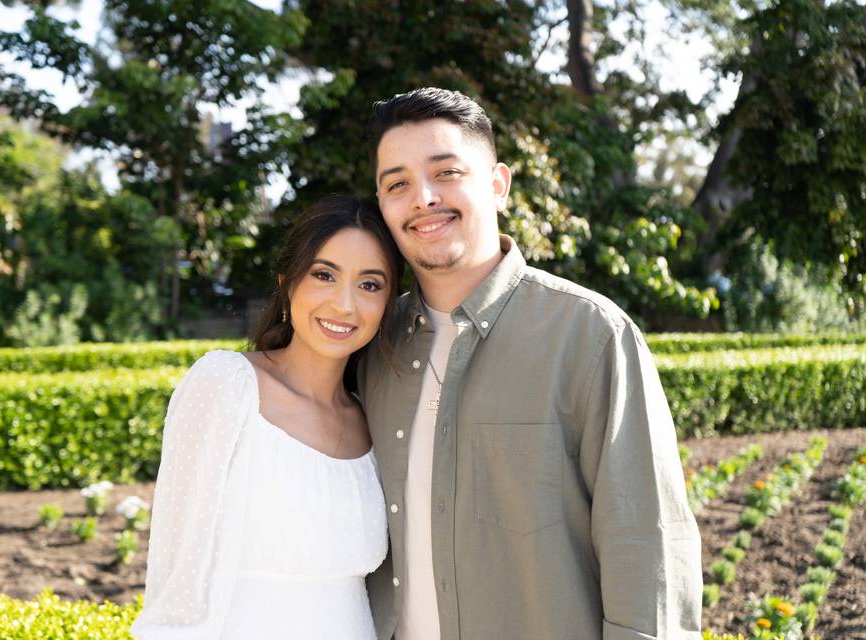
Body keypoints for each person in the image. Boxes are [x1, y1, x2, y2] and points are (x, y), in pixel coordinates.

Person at [359, 87, 702, 640]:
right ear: (383, 205)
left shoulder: (590, 335)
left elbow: (648, 544)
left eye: (446, 172)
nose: (422, 198)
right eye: (397, 183)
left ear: (497, 185)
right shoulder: (373, 348)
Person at [130, 195, 404, 639]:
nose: (344, 304)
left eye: (369, 284)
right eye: (324, 275)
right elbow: (176, 580)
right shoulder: (227, 385)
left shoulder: (374, 419)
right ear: (288, 283)